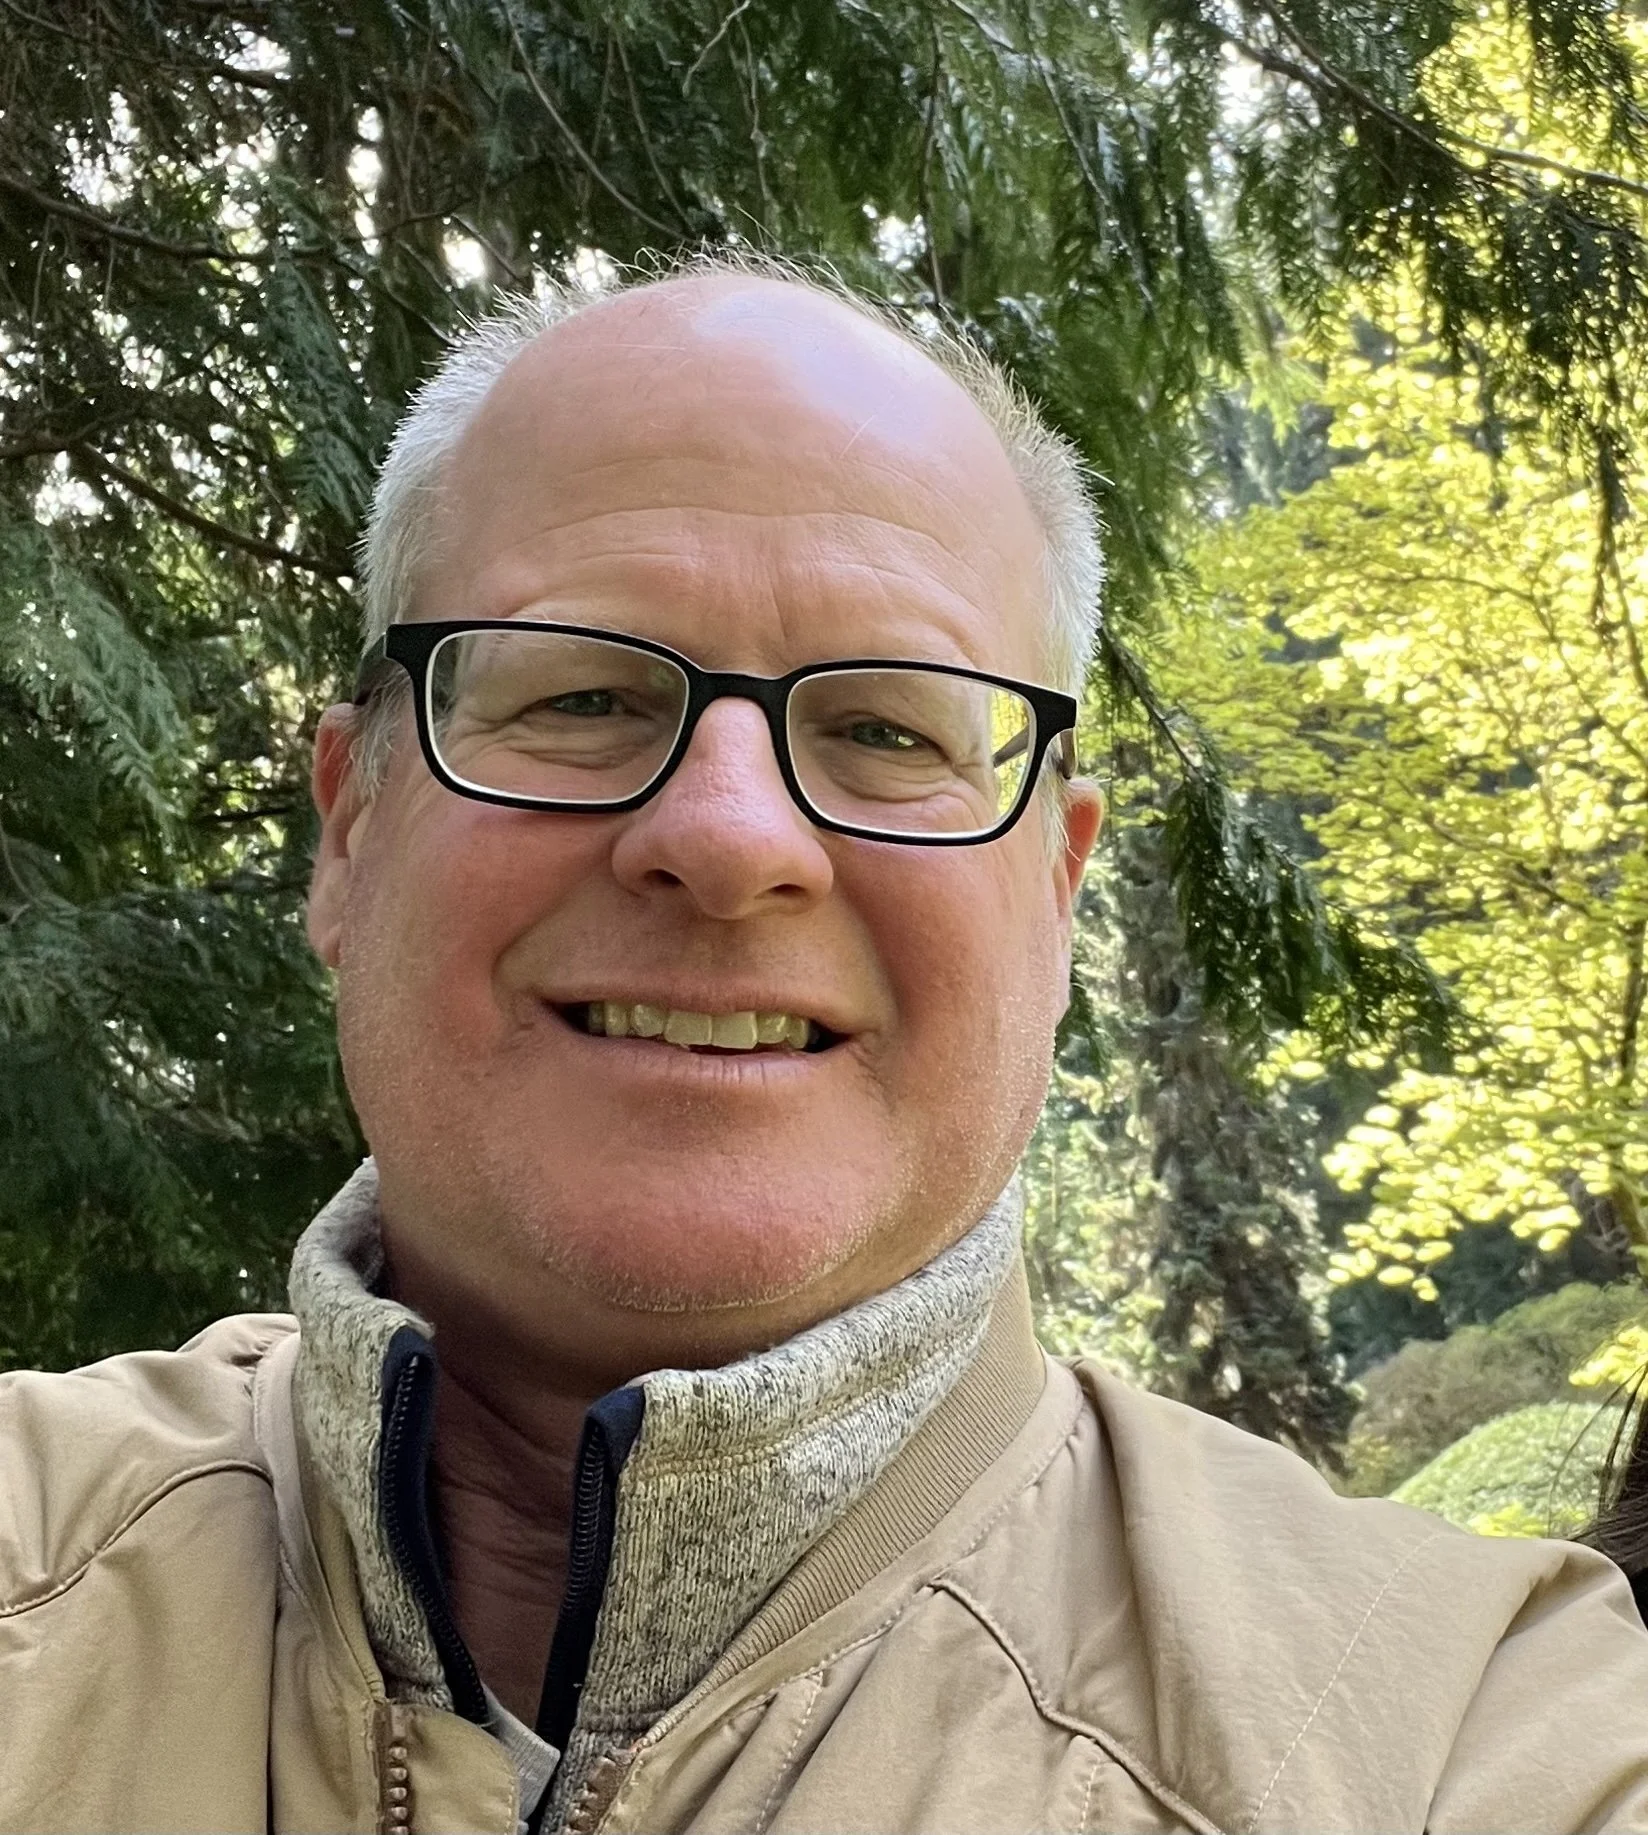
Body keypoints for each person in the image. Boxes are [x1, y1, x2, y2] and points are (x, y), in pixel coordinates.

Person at [5, 255, 1648, 1835]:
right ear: (353, 827)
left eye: (883, 728)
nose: (728, 837)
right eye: (583, 698)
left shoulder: (1467, 1731)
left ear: (1057, 895)